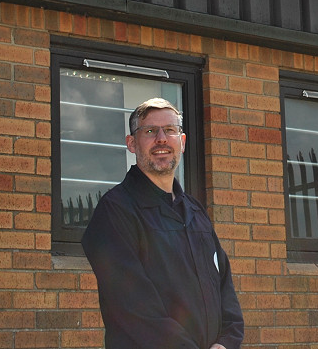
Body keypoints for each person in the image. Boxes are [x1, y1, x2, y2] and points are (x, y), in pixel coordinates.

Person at [82, 98, 244, 349]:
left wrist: (226, 343)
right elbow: (132, 309)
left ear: (182, 141)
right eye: (149, 131)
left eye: (170, 130)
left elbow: (225, 289)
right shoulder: (115, 211)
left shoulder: (195, 212)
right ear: (131, 143)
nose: (161, 138)